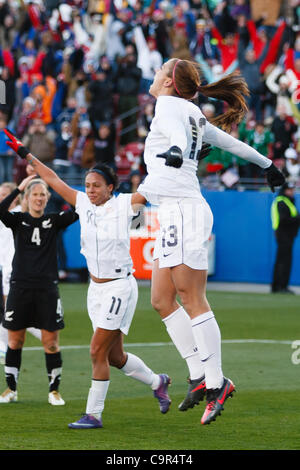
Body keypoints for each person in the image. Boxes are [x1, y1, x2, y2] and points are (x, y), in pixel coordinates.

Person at [135, 58, 285, 425]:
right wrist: (267, 165)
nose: (153, 75)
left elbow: (182, 141)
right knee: (161, 299)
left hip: (183, 210)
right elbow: (230, 143)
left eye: (159, 71)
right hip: (172, 211)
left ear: (169, 82)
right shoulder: (190, 112)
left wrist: (177, 151)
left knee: (191, 298)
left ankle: (218, 382)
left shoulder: (169, 107)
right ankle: (199, 374)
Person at [3, 130, 172, 429]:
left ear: (110, 187)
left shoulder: (123, 205)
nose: (90, 190)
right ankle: (158, 382)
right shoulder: (82, 203)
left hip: (119, 285)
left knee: (96, 351)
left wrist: (177, 166)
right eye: (87, 185)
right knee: (115, 355)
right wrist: (26, 155)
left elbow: (151, 190)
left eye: (96, 186)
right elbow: (53, 178)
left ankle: (94, 414)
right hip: (96, 289)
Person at [0, 174, 78, 405]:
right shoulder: (18, 220)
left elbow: (78, 208)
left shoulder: (54, 221)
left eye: (43, 194)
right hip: (19, 288)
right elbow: (1, 210)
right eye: (34, 194)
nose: (39, 198)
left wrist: (54, 183)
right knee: (15, 341)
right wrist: (20, 187)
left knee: (51, 342)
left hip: (47, 290)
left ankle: (54, 391)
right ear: (27, 197)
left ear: (47, 198)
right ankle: (11, 389)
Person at [0, 181, 41, 365]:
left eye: (3, 194)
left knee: (10, 310)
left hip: (14, 268)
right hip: (5, 268)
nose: (1, 197)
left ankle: (41, 329)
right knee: (7, 311)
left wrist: (27, 183)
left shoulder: (17, 213)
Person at [271, 181, 300, 294]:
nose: (292, 192)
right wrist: (298, 218)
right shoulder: (281, 202)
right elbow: (284, 220)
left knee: (283, 261)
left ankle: (279, 286)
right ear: (284, 190)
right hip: (284, 236)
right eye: (290, 190)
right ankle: (280, 286)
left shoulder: (287, 201)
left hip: (287, 236)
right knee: (283, 261)